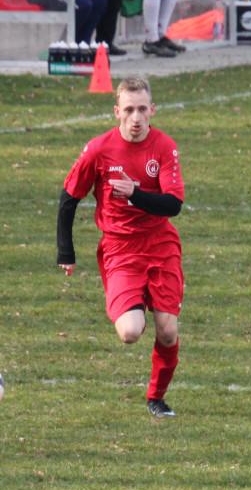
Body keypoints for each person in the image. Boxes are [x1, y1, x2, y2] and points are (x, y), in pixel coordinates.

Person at [57, 76, 186, 418]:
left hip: (160, 244)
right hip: (120, 249)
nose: (136, 118)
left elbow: (172, 205)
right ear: (117, 112)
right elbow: (69, 198)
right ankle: (137, 299)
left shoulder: (164, 146)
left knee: (168, 330)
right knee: (130, 332)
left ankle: (156, 399)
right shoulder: (99, 149)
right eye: (129, 110)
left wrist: (134, 194)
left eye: (143, 109)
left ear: (152, 110)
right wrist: (66, 252)